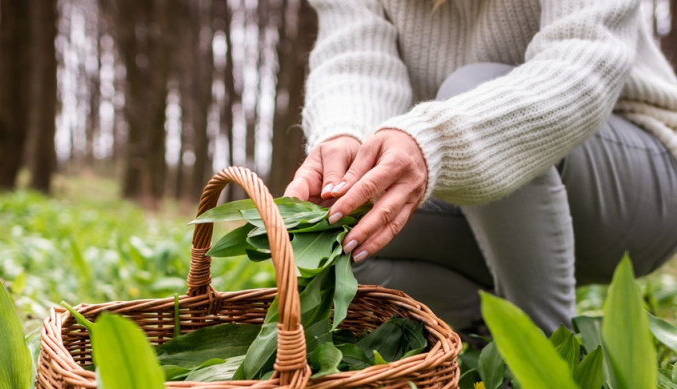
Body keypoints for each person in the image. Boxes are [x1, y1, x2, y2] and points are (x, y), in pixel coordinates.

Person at [284, 0, 677, 335]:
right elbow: (353, 62)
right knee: (341, 238)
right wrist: (345, 140)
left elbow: (585, 61)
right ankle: (494, 333)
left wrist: (437, 139)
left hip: (636, 188)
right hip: (480, 206)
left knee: (471, 88)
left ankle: (545, 366)